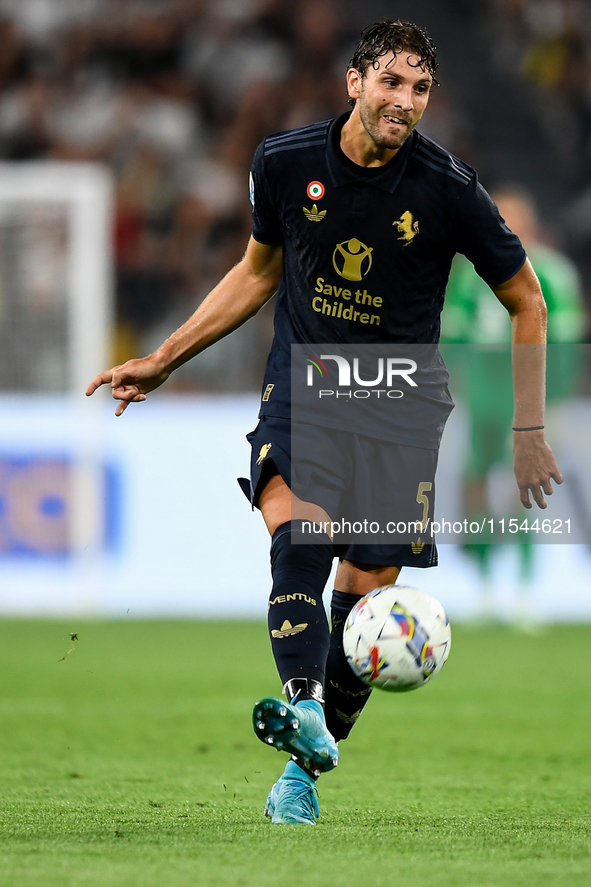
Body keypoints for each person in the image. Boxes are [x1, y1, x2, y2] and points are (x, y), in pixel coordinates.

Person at [86, 21, 562, 825]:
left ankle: (305, 765)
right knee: (297, 528)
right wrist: (165, 357)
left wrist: (527, 430)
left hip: (399, 405)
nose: (403, 102)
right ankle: (300, 698)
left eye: (418, 89)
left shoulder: (448, 189)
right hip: (305, 387)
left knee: (365, 610)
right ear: (354, 81)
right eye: (390, 83)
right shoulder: (284, 162)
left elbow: (527, 300)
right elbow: (256, 273)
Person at [441, 185, 585, 623]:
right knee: (477, 487)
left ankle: (524, 590)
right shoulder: (471, 273)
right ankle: (485, 587)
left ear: (532, 225)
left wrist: (551, 404)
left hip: (526, 399)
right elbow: (453, 333)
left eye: (517, 220)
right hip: (483, 394)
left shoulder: (552, 273)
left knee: (521, 491)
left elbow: (565, 343)